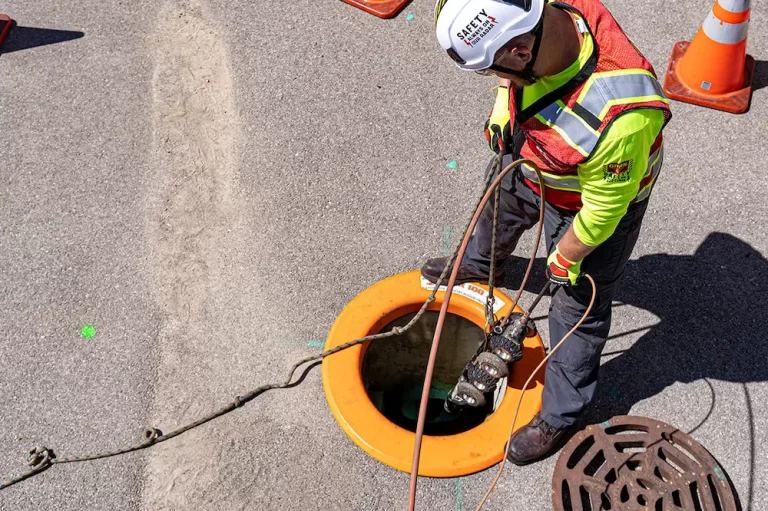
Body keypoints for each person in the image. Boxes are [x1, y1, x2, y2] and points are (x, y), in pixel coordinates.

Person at [428, 0, 672, 464]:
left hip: (590, 210)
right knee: (495, 207)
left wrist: (565, 256)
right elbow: (508, 58)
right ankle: (482, 264)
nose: (497, 78)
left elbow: (604, 210)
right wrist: (505, 103)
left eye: (497, 70)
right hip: (539, 156)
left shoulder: (619, 116)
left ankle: (561, 414)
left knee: (576, 309)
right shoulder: (544, 15)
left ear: (520, 51)